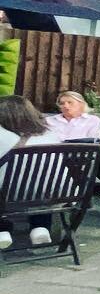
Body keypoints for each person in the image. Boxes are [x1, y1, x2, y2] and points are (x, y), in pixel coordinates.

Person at [0, 95, 61, 249]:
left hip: (9, 196)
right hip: (54, 194)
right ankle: (40, 227)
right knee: (40, 181)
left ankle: (2, 229)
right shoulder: (50, 135)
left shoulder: (2, 134)